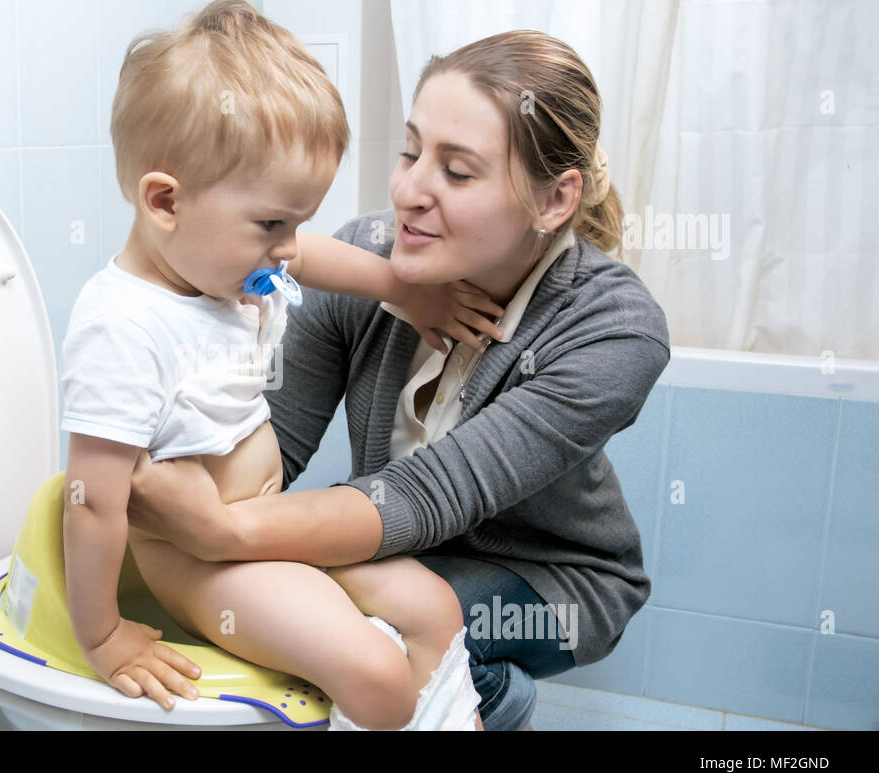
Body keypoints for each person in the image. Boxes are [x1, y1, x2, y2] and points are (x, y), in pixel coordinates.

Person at [125, 29, 672, 731]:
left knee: (369, 629)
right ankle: (481, 688)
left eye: (458, 171)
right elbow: (274, 446)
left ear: (555, 199)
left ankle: (492, 700)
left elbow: (430, 495)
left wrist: (213, 527)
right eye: (411, 151)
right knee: (300, 613)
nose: (410, 190)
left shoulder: (613, 327)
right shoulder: (367, 259)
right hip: (394, 544)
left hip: (552, 582)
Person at [61, 1, 496, 730]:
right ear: (165, 202)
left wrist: (403, 290)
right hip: (198, 562)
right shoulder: (123, 328)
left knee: (435, 605)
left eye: (297, 220)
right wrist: (102, 635)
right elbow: (94, 501)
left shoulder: (221, 265)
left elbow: (316, 257)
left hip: (255, 526)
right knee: (377, 674)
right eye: (273, 224)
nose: (289, 247)